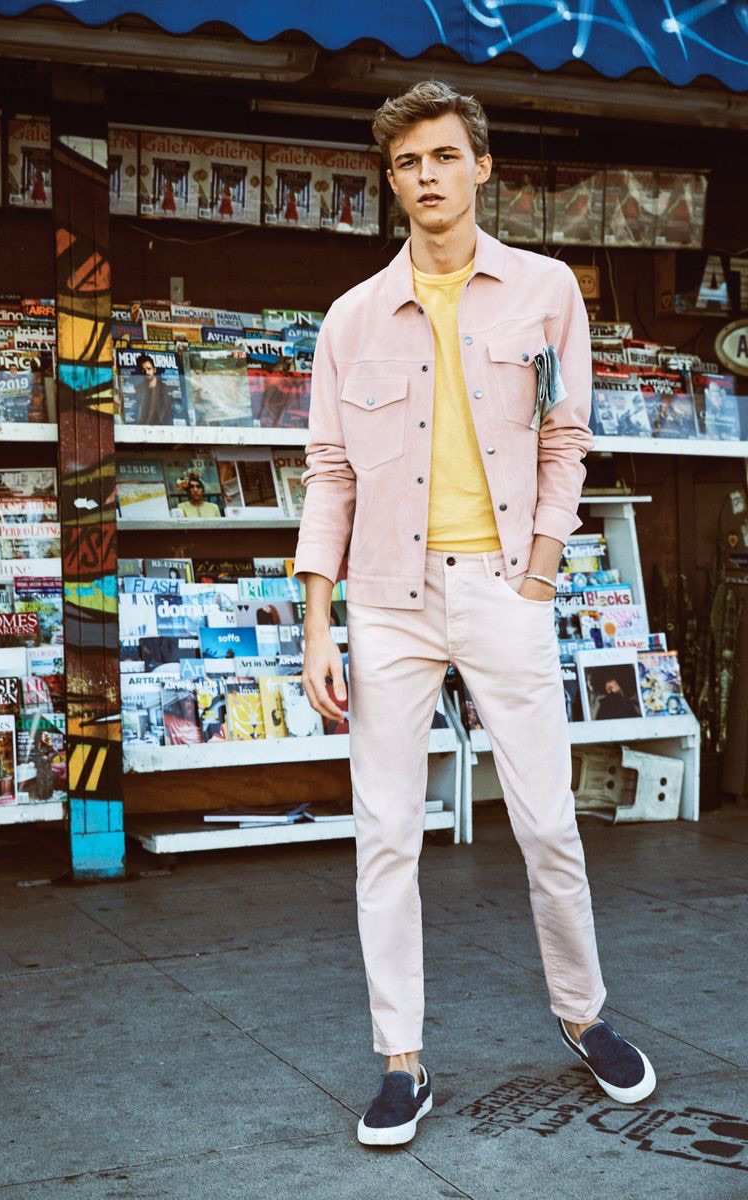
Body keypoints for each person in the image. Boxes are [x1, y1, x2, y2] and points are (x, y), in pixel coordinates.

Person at [293, 80, 656, 1148]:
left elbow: (563, 440)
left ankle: (583, 1017)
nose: (425, 177)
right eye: (407, 163)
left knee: (546, 822)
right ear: (391, 179)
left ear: (479, 166)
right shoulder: (349, 316)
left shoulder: (543, 292)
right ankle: (400, 1060)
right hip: (387, 605)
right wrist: (318, 625)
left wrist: (537, 571)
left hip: (500, 585)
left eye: (444, 157)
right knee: (383, 839)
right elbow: (326, 474)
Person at [132, 353, 176, 425]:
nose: (147, 372)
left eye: (149, 368)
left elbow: (171, 413)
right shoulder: (137, 389)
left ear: (154, 370)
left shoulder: (166, 389)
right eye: (143, 370)